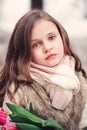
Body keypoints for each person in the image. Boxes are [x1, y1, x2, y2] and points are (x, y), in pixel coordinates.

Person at [0, 9, 87, 130]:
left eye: (51, 38)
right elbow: (8, 125)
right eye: (36, 44)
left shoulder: (80, 79)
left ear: (62, 37)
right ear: (24, 52)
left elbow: (84, 123)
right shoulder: (19, 88)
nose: (47, 47)